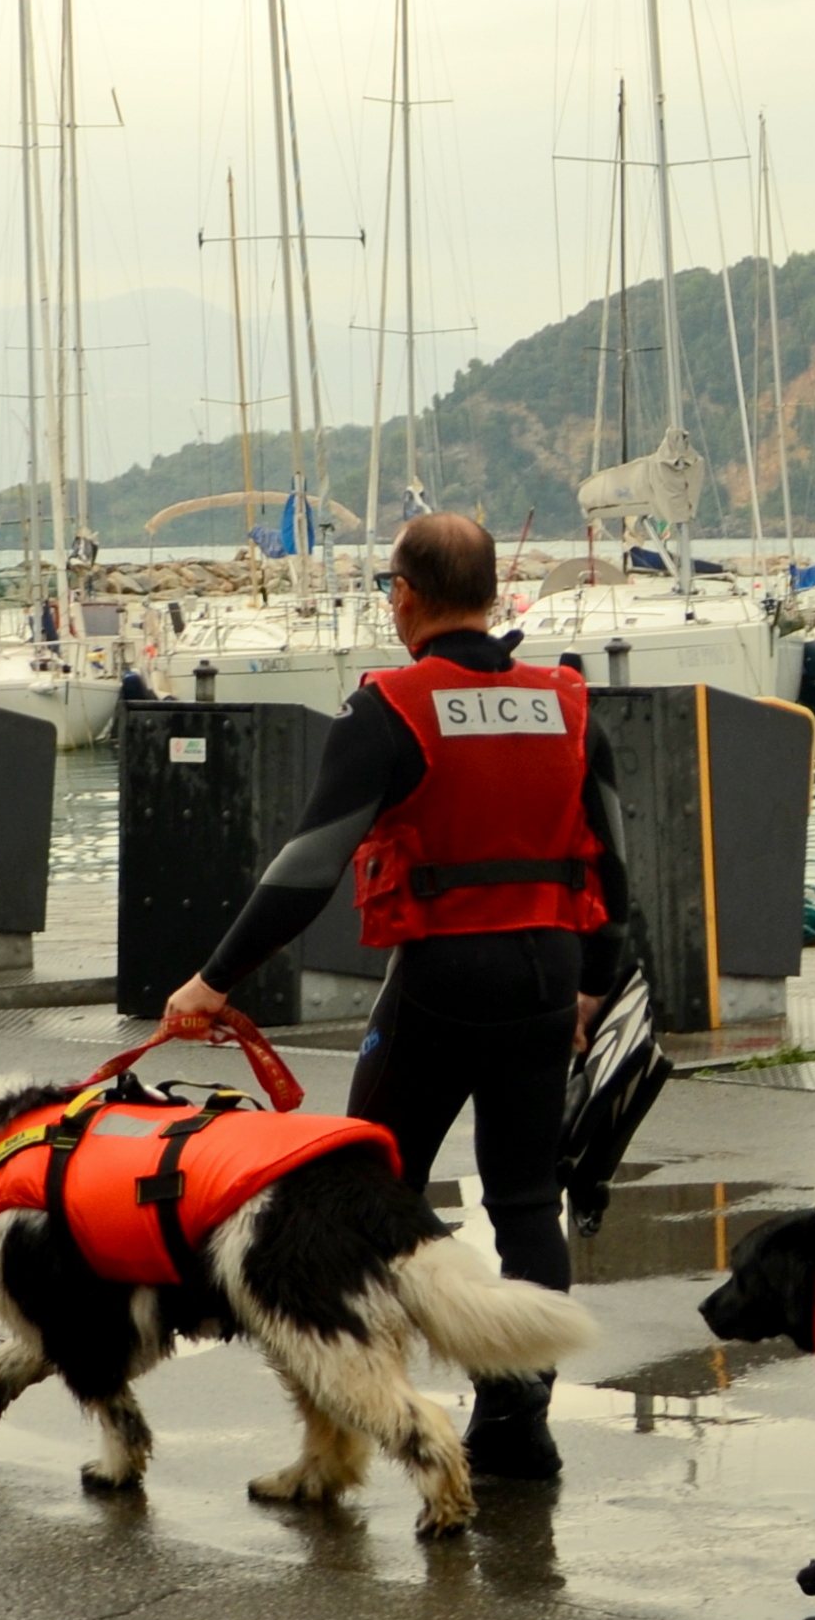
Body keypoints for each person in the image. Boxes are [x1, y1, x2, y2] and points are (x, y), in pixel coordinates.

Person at [160, 511, 625, 1496]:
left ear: (403, 595)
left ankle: (365, 1422)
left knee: (366, 1199)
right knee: (525, 1199)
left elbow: (306, 868)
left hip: (443, 983)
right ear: (492, 593)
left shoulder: (392, 708)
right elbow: (612, 861)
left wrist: (213, 980)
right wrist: (594, 982)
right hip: (547, 975)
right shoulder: (567, 701)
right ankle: (518, 1428)